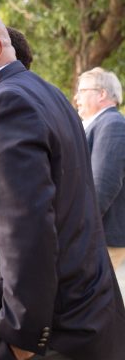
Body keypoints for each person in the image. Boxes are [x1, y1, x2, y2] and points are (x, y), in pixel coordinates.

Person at [0, 8, 125, 360]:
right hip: (81, 323)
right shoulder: (44, 94)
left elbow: (26, 233)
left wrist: (23, 338)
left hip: (46, 341)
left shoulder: (3, 107)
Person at [75, 67, 125, 271]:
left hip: (102, 237)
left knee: (98, 302)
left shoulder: (112, 124)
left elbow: (103, 184)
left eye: (82, 91)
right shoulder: (103, 124)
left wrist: (79, 228)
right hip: (98, 235)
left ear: (102, 94)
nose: (76, 97)